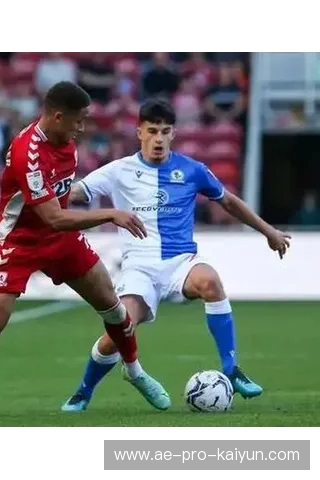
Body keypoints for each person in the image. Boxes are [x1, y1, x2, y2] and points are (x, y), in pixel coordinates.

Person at [0, 81, 170, 420]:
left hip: (62, 240)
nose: (81, 128)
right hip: (21, 242)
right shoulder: (28, 152)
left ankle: (134, 370)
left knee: (113, 307)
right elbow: (53, 216)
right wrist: (111, 213)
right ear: (57, 117)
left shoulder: (66, 141)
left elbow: (61, 206)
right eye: (78, 120)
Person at [60, 98, 291, 413]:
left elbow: (229, 201)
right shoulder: (118, 170)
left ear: (173, 134)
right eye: (152, 131)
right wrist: (41, 194)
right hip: (139, 269)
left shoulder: (192, 170)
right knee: (119, 330)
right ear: (139, 132)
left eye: (165, 131)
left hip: (180, 263)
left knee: (210, 281)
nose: (158, 139)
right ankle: (83, 392)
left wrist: (269, 231)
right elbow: (76, 192)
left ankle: (232, 370)